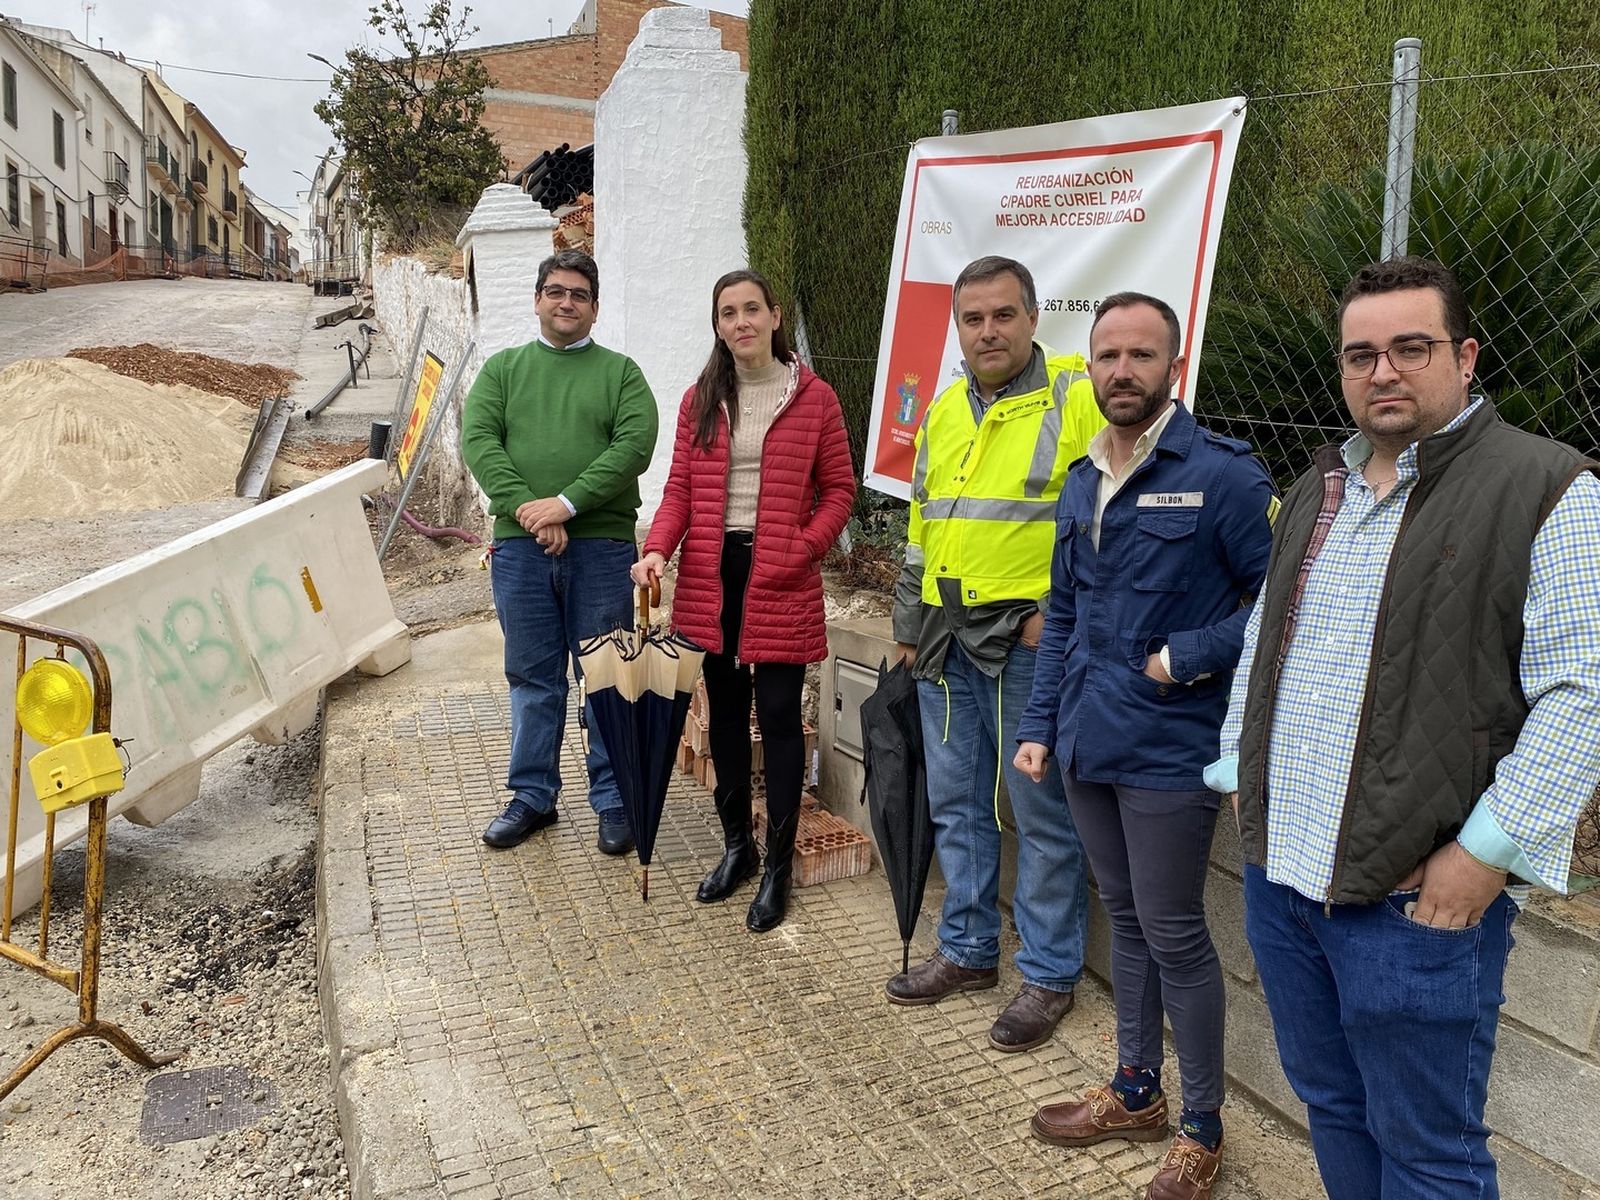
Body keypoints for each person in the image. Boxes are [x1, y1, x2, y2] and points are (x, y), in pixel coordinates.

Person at [1207, 257, 1600, 1199]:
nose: (1382, 371)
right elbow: (1267, 633)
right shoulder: (1319, 485)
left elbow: (1584, 691)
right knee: (1331, 1107)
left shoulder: (1549, 488)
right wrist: (1235, 769)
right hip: (1284, 879)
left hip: (1413, 899)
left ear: (1465, 356)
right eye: (1360, 355)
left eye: (1410, 347)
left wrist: (1487, 854)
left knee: (1428, 1151)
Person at [1014, 293, 1276, 1198]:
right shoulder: (1083, 477)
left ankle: (1201, 1126)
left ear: (1174, 364)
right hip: (1088, 739)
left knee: (1173, 933)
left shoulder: (1225, 477)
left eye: (1140, 355)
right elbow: (1067, 616)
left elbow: (1278, 601)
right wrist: (1038, 727)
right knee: (1122, 919)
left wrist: (1189, 655)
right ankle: (1135, 1090)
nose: (1121, 370)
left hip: (1171, 743)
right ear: (1089, 367)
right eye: (1106, 355)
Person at [886, 255, 1102, 1053]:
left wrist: (1062, 613)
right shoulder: (944, 410)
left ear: (1033, 316)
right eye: (973, 319)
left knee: (1039, 815)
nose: (988, 331)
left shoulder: (1075, 397)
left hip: (1024, 647)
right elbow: (922, 529)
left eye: (1003, 315)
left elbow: (1118, 513)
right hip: (944, 640)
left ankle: (1046, 974)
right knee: (958, 805)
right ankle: (970, 952)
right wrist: (908, 630)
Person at [634, 269, 855, 931]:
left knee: (781, 717)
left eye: (751, 309)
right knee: (726, 715)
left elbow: (840, 490)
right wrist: (657, 551)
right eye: (727, 312)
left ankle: (780, 867)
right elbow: (677, 492)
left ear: (774, 315)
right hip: (712, 571)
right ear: (718, 324)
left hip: (781, 571)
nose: (740, 323)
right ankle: (739, 849)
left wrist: (802, 546)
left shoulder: (814, 398)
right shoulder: (701, 398)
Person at [461, 248, 659, 856]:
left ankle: (615, 799)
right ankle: (532, 796)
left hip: (600, 548)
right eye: (555, 291)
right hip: (521, 552)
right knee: (532, 676)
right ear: (537, 300)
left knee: (605, 675)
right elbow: (479, 440)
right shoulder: (503, 371)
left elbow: (634, 445)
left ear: (595, 308)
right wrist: (530, 510)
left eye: (578, 293)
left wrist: (566, 505)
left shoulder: (620, 374)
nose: (565, 301)